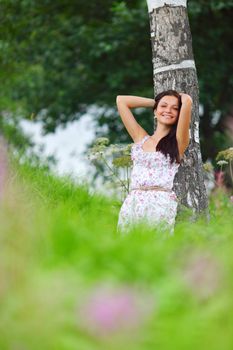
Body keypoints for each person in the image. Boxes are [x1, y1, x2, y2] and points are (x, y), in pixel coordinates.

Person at [116, 90, 193, 234]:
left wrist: (181, 101)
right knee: (125, 249)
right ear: (155, 111)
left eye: (175, 108)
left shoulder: (178, 143)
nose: (168, 110)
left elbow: (188, 101)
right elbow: (121, 100)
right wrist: (155, 103)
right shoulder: (140, 138)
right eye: (164, 106)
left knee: (154, 249)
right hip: (133, 202)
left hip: (160, 204)